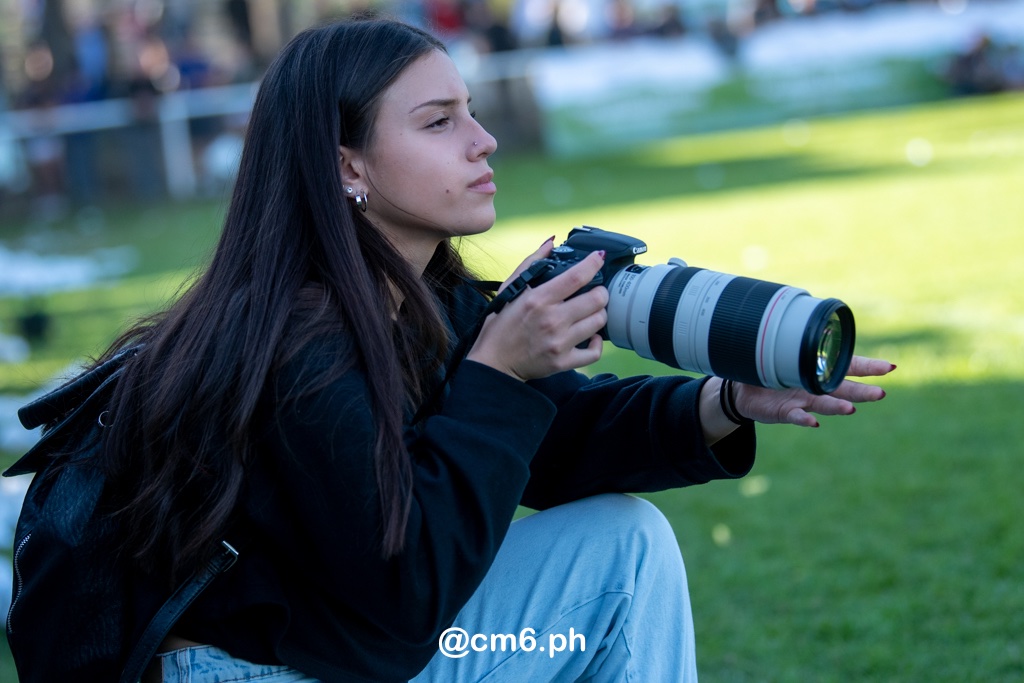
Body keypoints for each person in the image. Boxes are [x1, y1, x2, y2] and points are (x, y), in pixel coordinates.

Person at [75, 17, 891, 682]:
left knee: (617, 534)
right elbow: (404, 594)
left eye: (469, 109)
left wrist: (725, 401)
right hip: (256, 672)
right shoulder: (295, 336)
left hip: (347, 648)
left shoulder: (418, 296)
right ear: (346, 164)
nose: (485, 139)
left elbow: (554, 440)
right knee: (620, 558)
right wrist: (496, 373)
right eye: (440, 122)